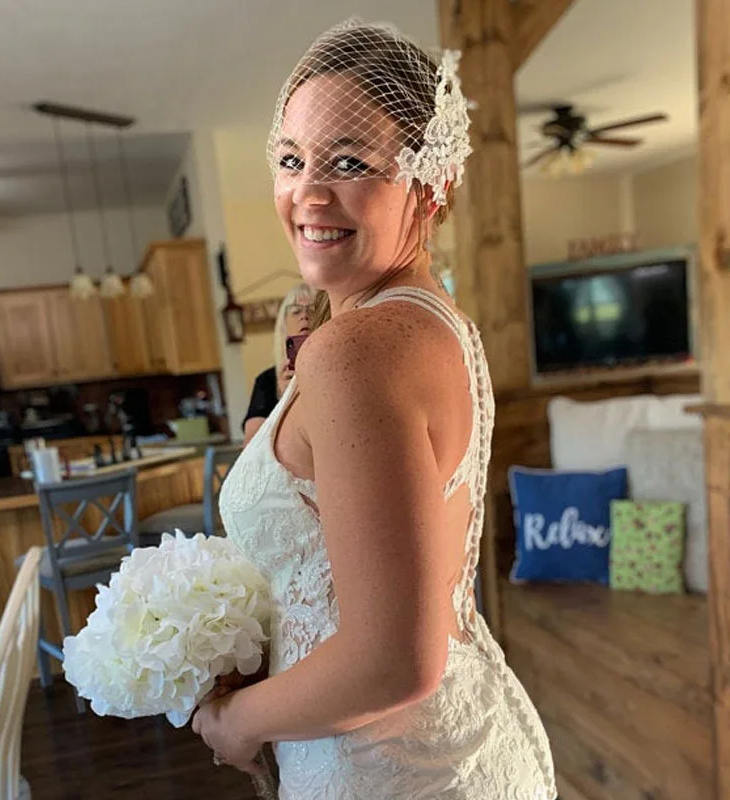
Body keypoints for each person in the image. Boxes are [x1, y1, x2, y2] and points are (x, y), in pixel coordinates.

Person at [193, 18, 556, 799]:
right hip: (451, 744)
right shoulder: (431, 323)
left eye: (351, 161)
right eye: (292, 160)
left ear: (433, 184)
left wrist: (238, 721)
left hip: (385, 771)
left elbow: (394, 657)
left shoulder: (357, 349)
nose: (307, 193)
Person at [242, 284, 315, 446]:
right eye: (296, 311)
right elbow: (251, 446)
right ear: (284, 327)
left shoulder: (337, 372)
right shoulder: (267, 381)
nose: (304, 316)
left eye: (313, 310)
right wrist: (284, 401)